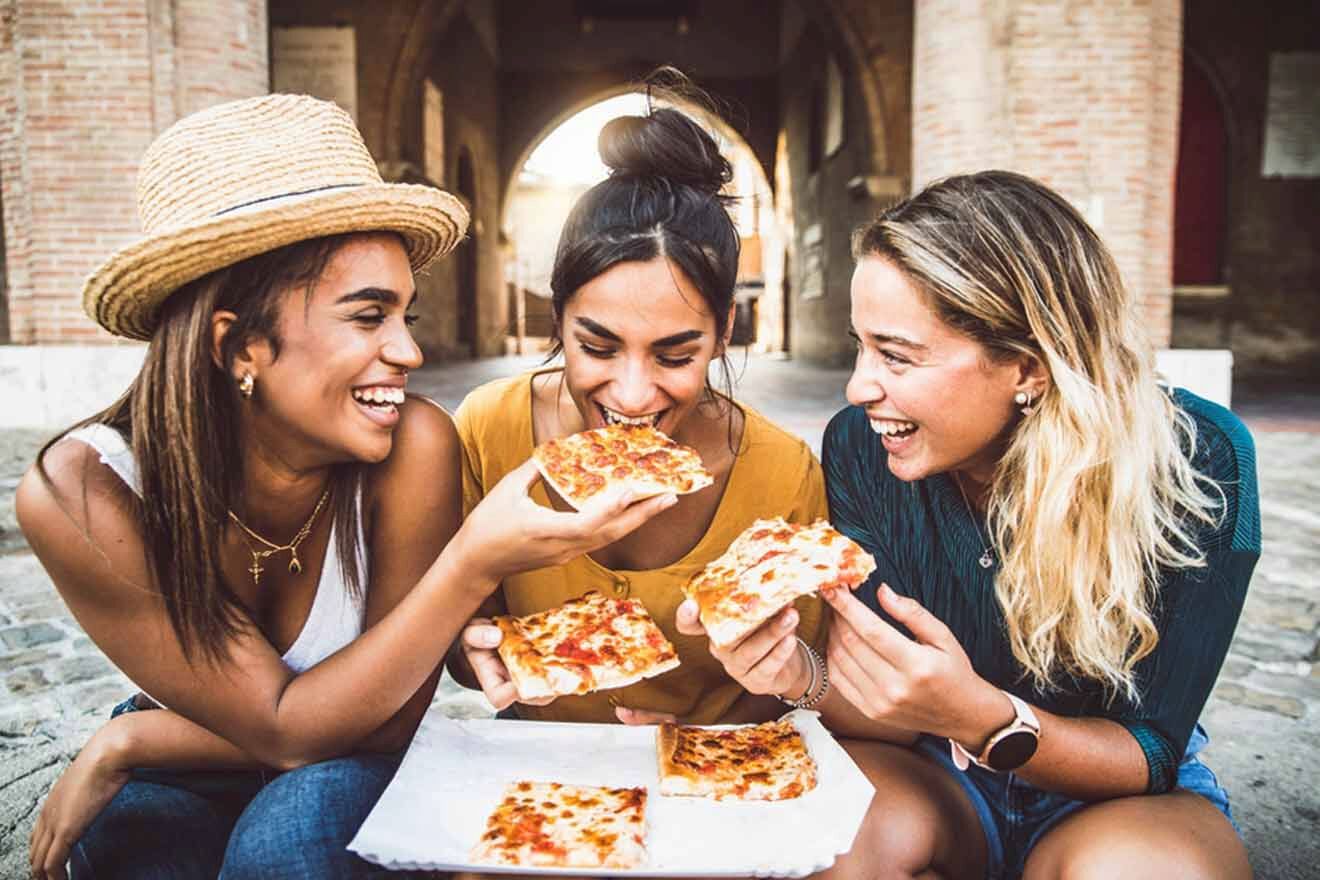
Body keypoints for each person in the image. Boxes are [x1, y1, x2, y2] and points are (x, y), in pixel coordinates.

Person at [17, 94, 672, 880]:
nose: (408, 350)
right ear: (238, 346)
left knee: (286, 849)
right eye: (369, 317)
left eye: (406, 314)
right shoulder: (83, 492)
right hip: (192, 752)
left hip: (333, 756)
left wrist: (125, 739)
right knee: (121, 848)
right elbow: (276, 725)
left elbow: (386, 724)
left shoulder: (414, 446)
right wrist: (140, 745)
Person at [807, 170, 1258, 879]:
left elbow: (1154, 749)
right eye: (861, 346)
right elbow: (885, 712)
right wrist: (796, 676)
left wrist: (982, 717)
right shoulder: (858, 449)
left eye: (895, 355)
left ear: (1026, 366)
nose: (859, 387)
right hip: (929, 775)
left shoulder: (1200, 458)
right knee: (826, 852)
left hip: (1112, 796)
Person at [449, 100, 833, 727]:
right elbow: (470, 645)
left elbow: (801, 676)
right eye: (596, 347)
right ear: (558, 320)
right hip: (543, 792)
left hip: (722, 780)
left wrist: (708, 737)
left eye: (676, 355)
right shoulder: (488, 429)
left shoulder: (783, 475)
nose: (631, 395)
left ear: (725, 330)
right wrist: (477, 654)